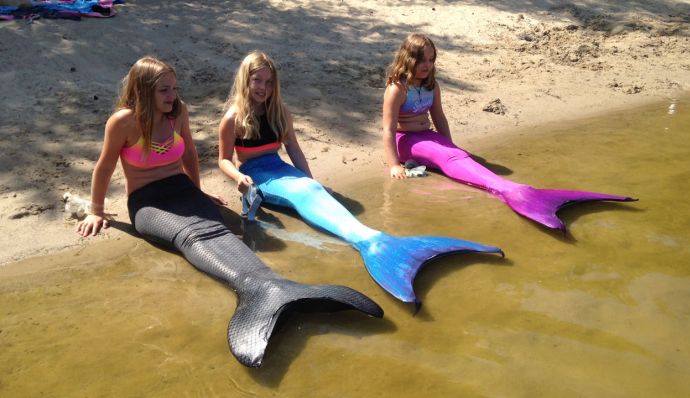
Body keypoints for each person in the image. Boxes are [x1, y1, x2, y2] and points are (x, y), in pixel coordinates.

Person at [75, 56, 383, 367]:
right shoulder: (123, 122)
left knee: (219, 227)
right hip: (147, 201)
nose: (172, 96)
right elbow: (104, 167)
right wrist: (96, 210)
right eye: (164, 91)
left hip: (181, 189)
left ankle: (271, 286)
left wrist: (198, 192)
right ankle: (260, 291)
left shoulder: (177, 111)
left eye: (174, 88)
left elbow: (191, 155)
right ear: (143, 91)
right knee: (193, 235)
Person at [218, 51, 502, 308]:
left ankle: (373, 242)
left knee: (310, 189)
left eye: (268, 83)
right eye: (257, 81)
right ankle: (372, 244)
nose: (263, 88)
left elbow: (293, 148)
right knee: (302, 193)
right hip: (256, 175)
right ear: (246, 80)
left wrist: (312, 180)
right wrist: (239, 178)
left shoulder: (278, 110)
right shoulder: (233, 117)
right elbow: (223, 160)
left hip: (280, 168)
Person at [382, 34, 636, 232]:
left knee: (453, 154)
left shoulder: (431, 85)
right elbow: (388, 128)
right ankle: (511, 191)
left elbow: (439, 117)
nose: (428, 65)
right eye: (422, 60)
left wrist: (452, 146)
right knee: (444, 156)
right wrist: (394, 164)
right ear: (409, 60)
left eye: (431, 60)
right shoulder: (397, 88)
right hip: (404, 140)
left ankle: (508, 188)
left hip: (428, 136)